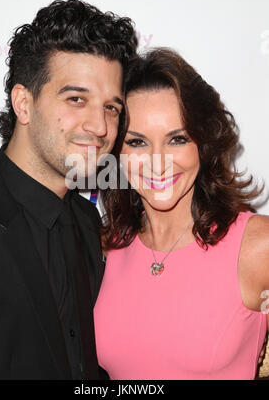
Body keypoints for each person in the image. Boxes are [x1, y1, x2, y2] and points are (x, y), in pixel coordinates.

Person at [0, 0, 137, 380]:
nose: (100, 126)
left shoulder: (86, 219)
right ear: (24, 104)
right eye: (76, 99)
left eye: (111, 107)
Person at [94, 48, 269, 380]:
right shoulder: (104, 246)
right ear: (115, 152)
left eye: (177, 139)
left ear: (203, 144)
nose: (158, 162)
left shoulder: (257, 246)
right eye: (137, 142)